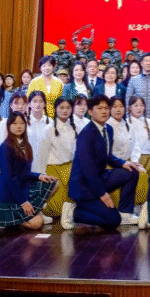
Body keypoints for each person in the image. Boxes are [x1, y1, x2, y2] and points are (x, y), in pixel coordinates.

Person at [60, 95, 141, 229]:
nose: (104, 111)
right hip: (84, 186)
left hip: (100, 177)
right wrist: (102, 194)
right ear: (91, 111)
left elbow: (108, 156)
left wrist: (123, 163)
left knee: (131, 171)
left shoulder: (108, 129)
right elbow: (88, 170)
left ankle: (125, 212)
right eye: (99, 108)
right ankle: (74, 212)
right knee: (113, 220)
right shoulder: (86, 134)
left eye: (106, 108)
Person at [0, 112, 58, 229]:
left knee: (53, 183)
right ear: (9, 126)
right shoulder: (5, 147)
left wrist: (40, 176)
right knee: (37, 223)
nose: (19, 126)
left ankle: (29, 212)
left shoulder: (26, 145)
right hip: (9, 193)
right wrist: (23, 202)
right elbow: (8, 178)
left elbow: (24, 173)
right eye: (15, 123)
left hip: (22, 187)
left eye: (22, 123)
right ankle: (4, 218)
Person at [36, 97, 78, 217]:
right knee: (57, 210)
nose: (65, 110)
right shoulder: (48, 129)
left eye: (68, 108)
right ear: (55, 109)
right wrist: (41, 176)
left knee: (69, 207)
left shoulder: (73, 127)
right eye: (62, 107)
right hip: (53, 170)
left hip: (69, 170)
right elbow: (41, 156)